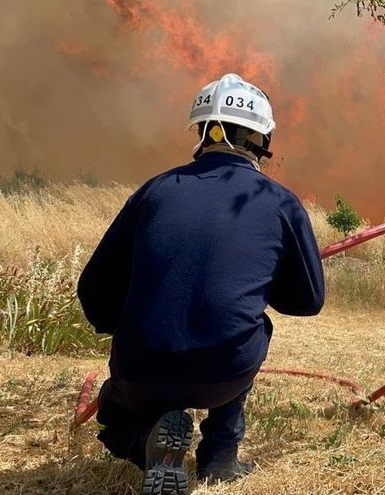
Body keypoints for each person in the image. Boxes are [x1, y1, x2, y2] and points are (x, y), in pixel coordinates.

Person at [78, 73, 325, 494]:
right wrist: (259, 284)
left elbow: (94, 287)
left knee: (115, 418)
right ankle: (220, 458)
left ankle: (147, 444)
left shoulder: (153, 193)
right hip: (225, 370)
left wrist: (120, 327)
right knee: (253, 325)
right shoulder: (280, 201)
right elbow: (307, 301)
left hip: (142, 366)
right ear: (262, 139)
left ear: (200, 131)